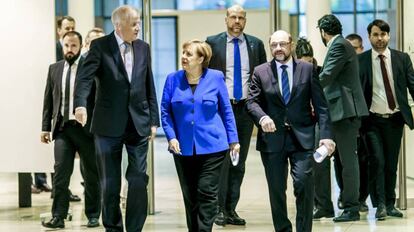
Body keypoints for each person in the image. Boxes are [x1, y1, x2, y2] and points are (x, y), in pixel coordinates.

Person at [74, 5, 159, 232]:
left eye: (139, 22)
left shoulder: (143, 48)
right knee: (110, 184)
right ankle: (113, 228)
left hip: (138, 123)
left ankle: (134, 228)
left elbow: (148, 83)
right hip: (107, 124)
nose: (138, 27)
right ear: (119, 26)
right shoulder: (100, 47)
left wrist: (153, 119)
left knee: (139, 179)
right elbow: (84, 79)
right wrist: (80, 105)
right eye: (134, 24)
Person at [246, 30, 335, 232]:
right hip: (272, 139)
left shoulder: (307, 69)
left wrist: (327, 136)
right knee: (277, 190)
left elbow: (321, 105)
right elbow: (251, 102)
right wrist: (262, 117)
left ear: (291, 44)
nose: (278, 48)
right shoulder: (260, 71)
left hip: (302, 138)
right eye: (274, 45)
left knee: (304, 183)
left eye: (282, 44)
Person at [161, 39, 240, 232]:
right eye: (183, 53)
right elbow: (165, 112)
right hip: (182, 147)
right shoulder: (173, 79)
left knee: (206, 192)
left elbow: (226, 110)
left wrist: (234, 139)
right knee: (190, 196)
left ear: (201, 58)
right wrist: (171, 137)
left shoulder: (215, 77)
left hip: (214, 146)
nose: (184, 57)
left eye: (189, 54)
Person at [205, 4, 267, 226]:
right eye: (233, 17)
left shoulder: (256, 44)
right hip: (221, 110)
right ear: (226, 19)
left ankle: (231, 208)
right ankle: (218, 209)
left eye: (241, 18)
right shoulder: (212, 42)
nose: (237, 21)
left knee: (237, 162)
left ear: (245, 20)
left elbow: (262, 78)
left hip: (244, 109)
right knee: (220, 161)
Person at [41, 31, 101, 229]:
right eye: (67, 45)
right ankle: (58, 216)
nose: (69, 49)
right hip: (63, 129)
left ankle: (93, 214)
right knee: (60, 174)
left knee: (91, 174)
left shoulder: (89, 68)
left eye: (74, 46)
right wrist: (45, 128)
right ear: (62, 45)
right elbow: (49, 101)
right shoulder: (54, 69)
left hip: (86, 130)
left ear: (80, 46)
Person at [359, 19, 414, 220]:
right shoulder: (361, 61)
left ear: (388, 36)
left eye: (383, 34)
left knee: (391, 163)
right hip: (371, 121)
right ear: (369, 37)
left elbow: (412, 85)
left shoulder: (402, 58)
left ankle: (390, 203)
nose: (380, 39)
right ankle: (380, 204)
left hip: (395, 119)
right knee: (378, 161)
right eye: (375, 34)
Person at [317, 14, 369, 222]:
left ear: (323, 32)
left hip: (345, 111)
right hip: (339, 111)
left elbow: (327, 75)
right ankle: (330, 206)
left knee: (348, 162)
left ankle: (352, 208)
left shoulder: (338, 45)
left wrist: (305, 88)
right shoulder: (341, 44)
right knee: (342, 161)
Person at [295, 37, 336, 220]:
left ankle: (324, 205)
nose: (307, 65)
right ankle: (313, 204)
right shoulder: (292, 73)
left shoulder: (317, 72)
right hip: (302, 124)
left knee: (320, 163)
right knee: (305, 167)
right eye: (303, 61)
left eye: (310, 61)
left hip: (318, 122)